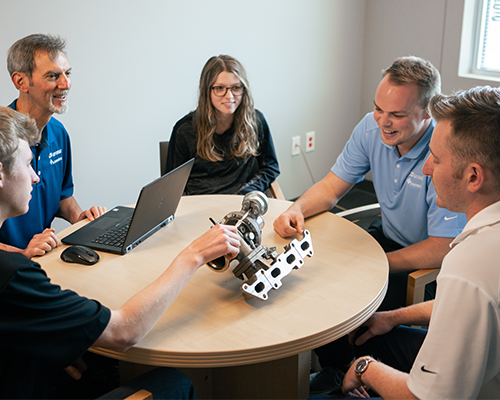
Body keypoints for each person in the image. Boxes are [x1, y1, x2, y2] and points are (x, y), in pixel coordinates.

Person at [0, 105, 241, 398]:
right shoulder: (13, 274)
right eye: (28, 165)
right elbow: (124, 332)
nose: (36, 177)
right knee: (175, 383)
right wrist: (194, 255)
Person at [273, 56, 466, 393]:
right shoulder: (369, 127)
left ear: (426, 113)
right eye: (379, 109)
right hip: (387, 237)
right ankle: (338, 369)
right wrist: (297, 209)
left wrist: (376, 264)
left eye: (397, 115)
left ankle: (359, 373)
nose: (383, 122)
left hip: (430, 265)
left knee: (354, 303)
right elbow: (332, 188)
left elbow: (441, 247)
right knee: (317, 277)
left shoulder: (442, 153)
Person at [336, 86, 500, 399]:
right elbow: (468, 306)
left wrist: (364, 368)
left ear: (474, 177)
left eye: (436, 161)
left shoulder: (469, 265)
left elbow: (427, 397)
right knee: (367, 333)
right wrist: (393, 317)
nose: (426, 168)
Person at [0, 34, 106, 259]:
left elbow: (61, 196)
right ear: (21, 82)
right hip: (9, 271)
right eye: (52, 76)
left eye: (67, 73)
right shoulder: (3, 138)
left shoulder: (58, 133)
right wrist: (22, 253)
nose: (65, 84)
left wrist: (81, 219)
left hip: (44, 260)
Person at [165, 54, 280, 195]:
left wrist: (248, 192)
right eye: (220, 88)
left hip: (238, 204)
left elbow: (271, 167)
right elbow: (171, 185)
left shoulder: (255, 121)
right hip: (197, 205)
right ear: (207, 91)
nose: (230, 96)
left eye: (236, 87)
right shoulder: (184, 130)